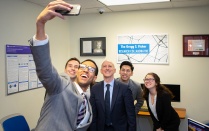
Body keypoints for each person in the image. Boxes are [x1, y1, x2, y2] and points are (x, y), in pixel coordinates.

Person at [29, 0, 98, 130]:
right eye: (82, 67)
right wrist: (40, 24)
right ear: (76, 71)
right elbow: (45, 70)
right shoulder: (61, 86)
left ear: (94, 77)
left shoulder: (87, 101)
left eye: (91, 69)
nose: (86, 70)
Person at [90, 60, 136, 131]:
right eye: (104, 66)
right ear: (101, 71)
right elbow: (93, 114)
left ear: (115, 70)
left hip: (120, 128)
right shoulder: (95, 88)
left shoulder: (124, 88)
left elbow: (131, 115)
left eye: (110, 66)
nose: (107, 68)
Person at [116, 61, 144, 131]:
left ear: (131, 73)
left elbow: (140, 101)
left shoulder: (137, 86)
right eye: (123, 70)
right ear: (119, 71)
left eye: (128, 71)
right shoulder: (113, 83)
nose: (125, 73)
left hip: (129, 120)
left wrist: (133, 113)